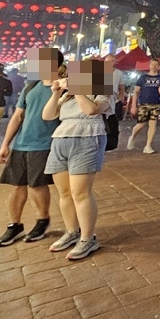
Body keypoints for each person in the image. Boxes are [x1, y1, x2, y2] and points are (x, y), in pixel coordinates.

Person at [42, 58, 113, 261]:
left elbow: (91, 110)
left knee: (80, 193)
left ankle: (88, 238)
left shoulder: (102, 91)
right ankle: (71, 231)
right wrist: (56, 93)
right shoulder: (67, 96)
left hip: (88, 139)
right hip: (60, 140)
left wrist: (78, 88)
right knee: (64, 193)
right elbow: (47, 116)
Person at [0, 49, 63, 246]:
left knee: (37, 184)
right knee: (17, 185)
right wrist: (5, 144)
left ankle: (42, 220)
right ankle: (14, 224)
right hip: (21, 143)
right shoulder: (30, 87)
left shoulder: (63, 87)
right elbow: (17, 116)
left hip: (44, 143)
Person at [127, 57, 160, 153]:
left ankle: (148, 146)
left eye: (156, 65)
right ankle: (132, 136)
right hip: (143, 104)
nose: (154, 66)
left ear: (159, 66)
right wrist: (133, 105)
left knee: (153, 124)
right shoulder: (142, 78)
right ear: (149, 65)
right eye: (152, 64)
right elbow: (136, 92)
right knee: (141, 124)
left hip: (156, 104)